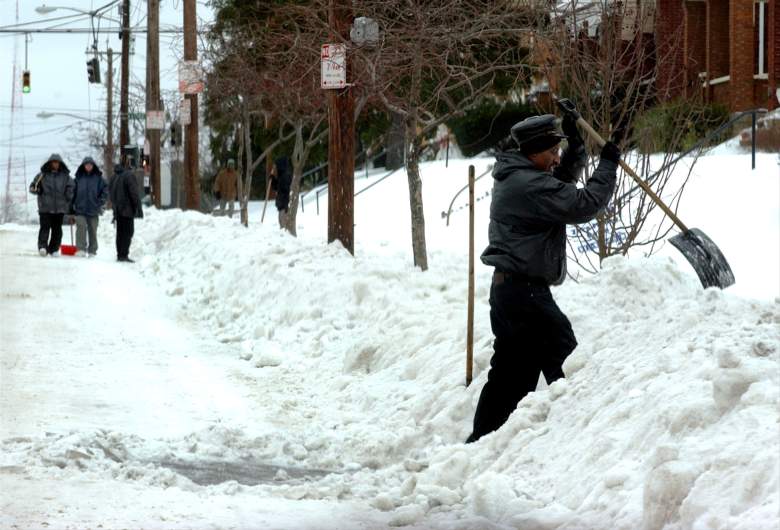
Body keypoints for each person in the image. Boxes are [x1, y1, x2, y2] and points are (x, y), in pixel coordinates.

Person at [466, 105, 621, 443]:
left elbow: (559, 186)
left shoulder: (519, 176)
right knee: (566, 362)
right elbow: (581, 204)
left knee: (512, 374)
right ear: (533, 152)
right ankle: (579, 437)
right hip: (525, 295)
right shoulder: (528, 185)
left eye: (558, 150)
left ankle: (482, 442)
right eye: (552, 152)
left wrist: (577, 150)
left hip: (510, 292)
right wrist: (608, 165)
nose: (555, 158)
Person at [29, 153, 74, 257]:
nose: (55, 164)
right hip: (45, 208)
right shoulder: (41, 175)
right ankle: (43, 247)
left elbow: (71, 186)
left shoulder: (65, 177)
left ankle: (54, 249)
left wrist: (68, 195)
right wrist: (36, 189)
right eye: (53, 162)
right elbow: (33, 186)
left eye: (57, 163)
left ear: (60, 164)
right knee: (45, 228)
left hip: (60, 208)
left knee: (57, 230)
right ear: (50, 163)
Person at [72, 156, 108, 257]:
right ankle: (80, 249)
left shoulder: (98, 179)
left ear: (93, 166)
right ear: (83, 166)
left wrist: (100, 202)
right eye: (86, 165)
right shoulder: (78, 178)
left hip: (94, 208)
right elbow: (72, 193)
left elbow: (106, 190)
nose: (88, 166)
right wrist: (71, 207)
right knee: (81, 227)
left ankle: (92, 250)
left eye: (90, 165)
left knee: (93, 229)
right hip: (80, 208)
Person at [109, 156, 143, 263]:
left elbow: (111, 194)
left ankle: (120, 254)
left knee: (120, 233)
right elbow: (134, 193)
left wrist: (115, 208)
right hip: (127, 210)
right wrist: (138, 207)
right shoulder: (129, 175)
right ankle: (124, 255)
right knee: (128, 232)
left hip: (118, 210)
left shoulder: (114, 177)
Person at [272, 156, 291, 228]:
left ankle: (285, 236)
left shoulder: (285, 176)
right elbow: (276, 188)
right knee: (281, 221)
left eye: (276, 166)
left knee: (283, 222)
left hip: (284, 205)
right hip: (281, 204)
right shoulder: (281, 176)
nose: (275, 168)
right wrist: (273, 179)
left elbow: (284, 190)